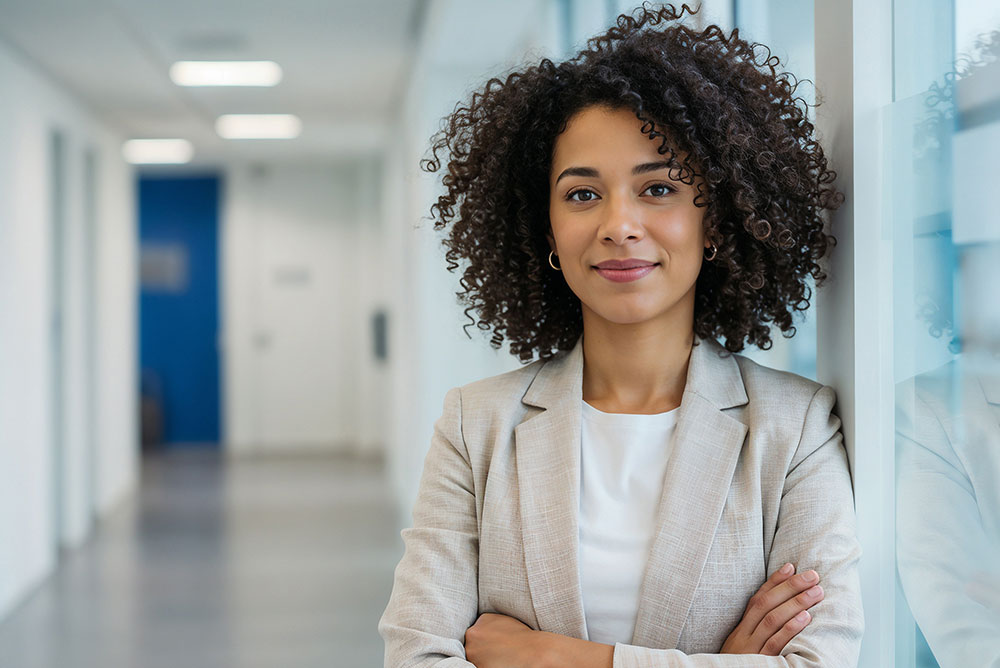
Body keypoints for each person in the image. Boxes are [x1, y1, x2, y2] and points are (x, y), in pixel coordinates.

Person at [379, 4, 864, 666]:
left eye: (658, 188)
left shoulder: (795, 427)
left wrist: (556, 658)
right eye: (582, 195)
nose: (619, 224)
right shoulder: (476, 426)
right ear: (545, 227)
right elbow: (415, 656)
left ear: (714, 218)